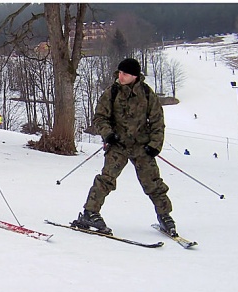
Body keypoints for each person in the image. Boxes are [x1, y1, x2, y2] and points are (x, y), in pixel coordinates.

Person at [72, 58, 177, 236]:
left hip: (141, 147)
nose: (120, 76)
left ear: (134, 76)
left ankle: (164, 215)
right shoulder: (112, 92)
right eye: (120, 72)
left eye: (125, 74)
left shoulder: (147, 94)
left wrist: (154, 145)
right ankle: (90, 212)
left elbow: (158, 122)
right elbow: (99, 118)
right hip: (118, 145)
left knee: (153, 182)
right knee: (106, 179)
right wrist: (108, 134)